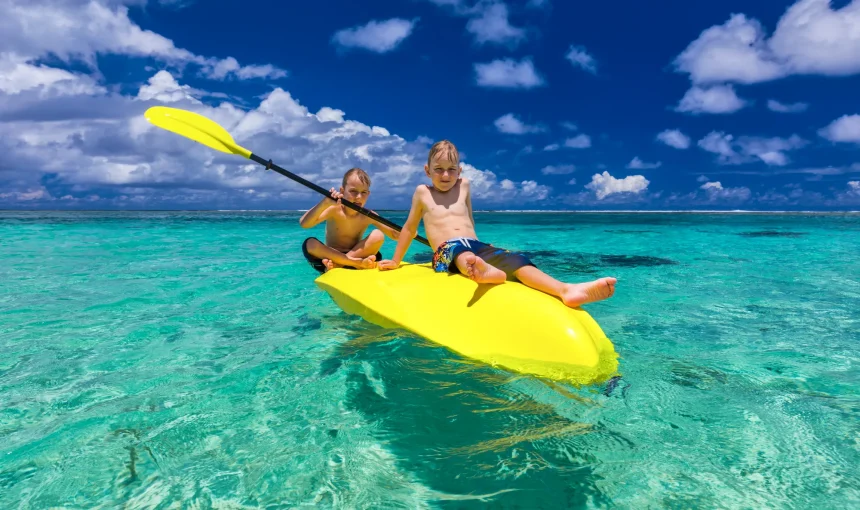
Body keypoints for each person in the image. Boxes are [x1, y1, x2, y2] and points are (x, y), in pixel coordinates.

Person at [377, 140, 617, 308]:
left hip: (475, 245)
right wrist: (396, 260)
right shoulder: (422, 192)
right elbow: (409, 228)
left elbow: (469, 220)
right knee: (459, 253)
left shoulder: (465, 186)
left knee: (516, 259)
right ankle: (479, 269)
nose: (445, 175)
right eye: (438, 170)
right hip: (444, 251)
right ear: (427, 170)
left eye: (451, 170)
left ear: (459, 171)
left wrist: (483, 246)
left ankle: (566, 290)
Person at [299, 167, 400, 273]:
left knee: (378, 235)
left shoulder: (368, 215)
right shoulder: (334, 209)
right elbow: (304, 223)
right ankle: (352, 263)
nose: (358, 197)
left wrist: (410, 228)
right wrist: (324, 203)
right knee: (309, 243)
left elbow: (395, 235)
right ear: (342, 191)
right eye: (353, 191)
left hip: (354, 256)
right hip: (334, 257)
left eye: (363, 192)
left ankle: (340, 265)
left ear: (368, 194)